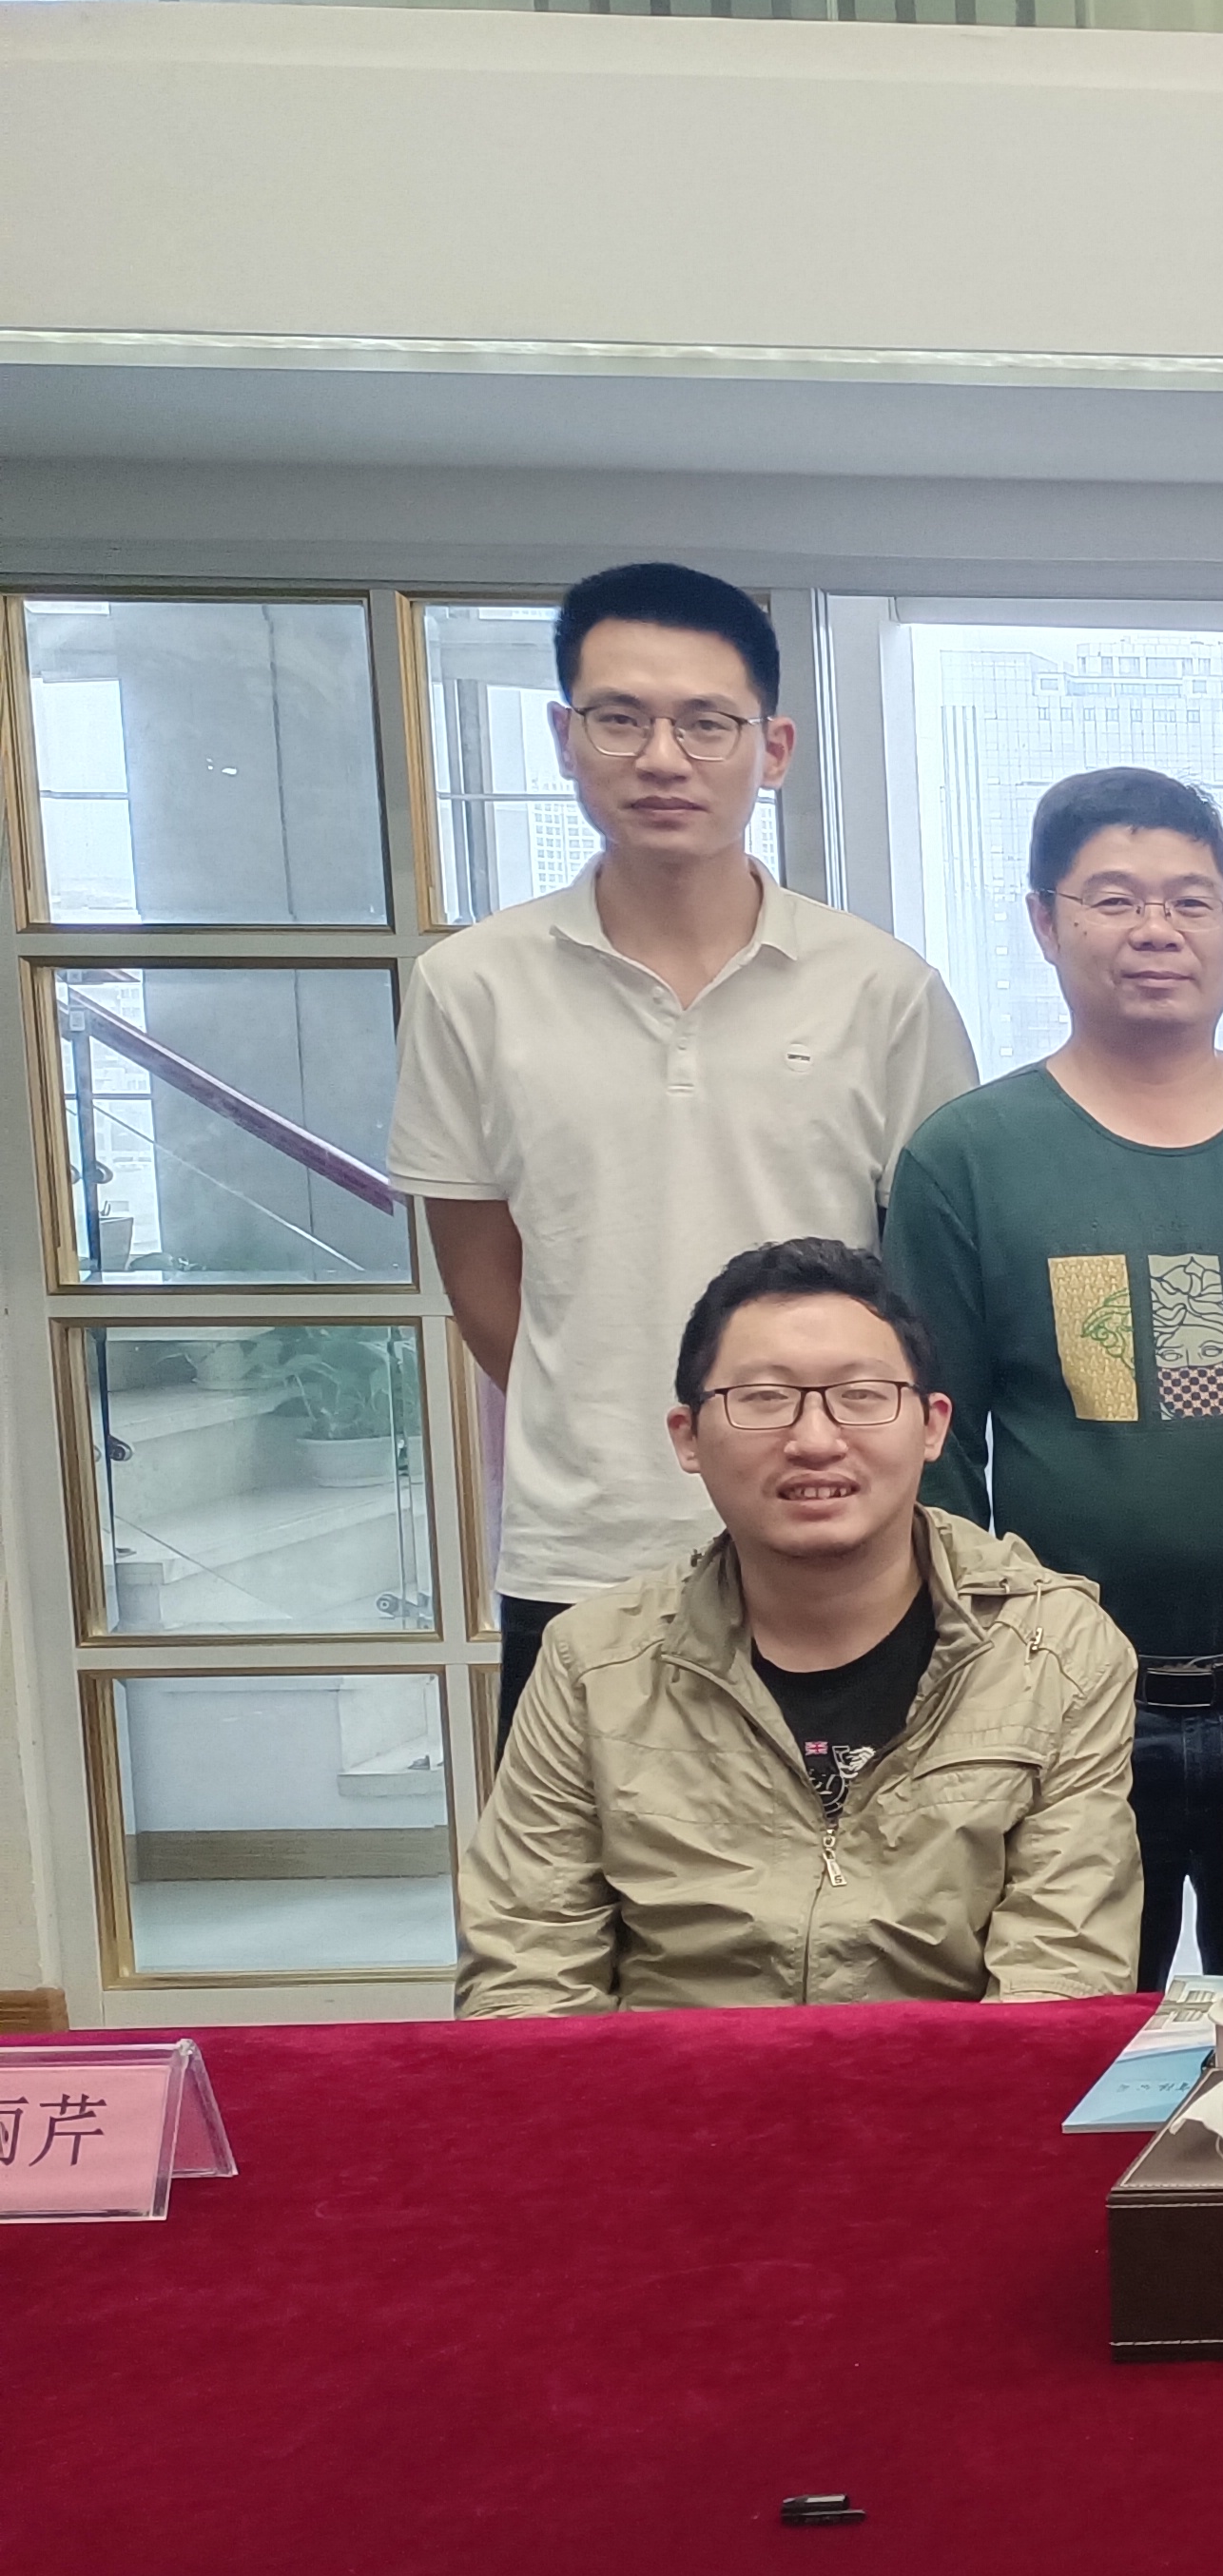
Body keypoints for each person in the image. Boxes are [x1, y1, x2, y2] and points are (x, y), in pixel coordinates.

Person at [389, 561, 977, 1742]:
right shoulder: (471, 987)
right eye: (621, 718)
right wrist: (609, 1419)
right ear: (565, 738)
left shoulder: (881, 989)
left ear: (774, 749)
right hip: (585, 1547)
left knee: (858, 1855)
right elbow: (484, 1280)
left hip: (835, 1542)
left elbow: (923, 1281)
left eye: (707, 723)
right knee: (578, 1860)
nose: (664, 758)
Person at [883, 765, 1223, 1987]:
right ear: (1043, 920)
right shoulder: (967, 1156)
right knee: (1066, 2028)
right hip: (1069, 1699)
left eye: (1192, 900)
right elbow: (933, 1449)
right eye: (1114, 899)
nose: (1157, 930)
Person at [456, 1241, 1139, 2014]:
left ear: (931, 1426)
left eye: (862, 1395)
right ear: (687, 1437)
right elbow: (526, 1979)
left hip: (950, 2084)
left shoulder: (1054, 1651)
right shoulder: (593, 1665)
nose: (815, 1440)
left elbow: (1057, 1988)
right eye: (762, 1398)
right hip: (674, 2086)